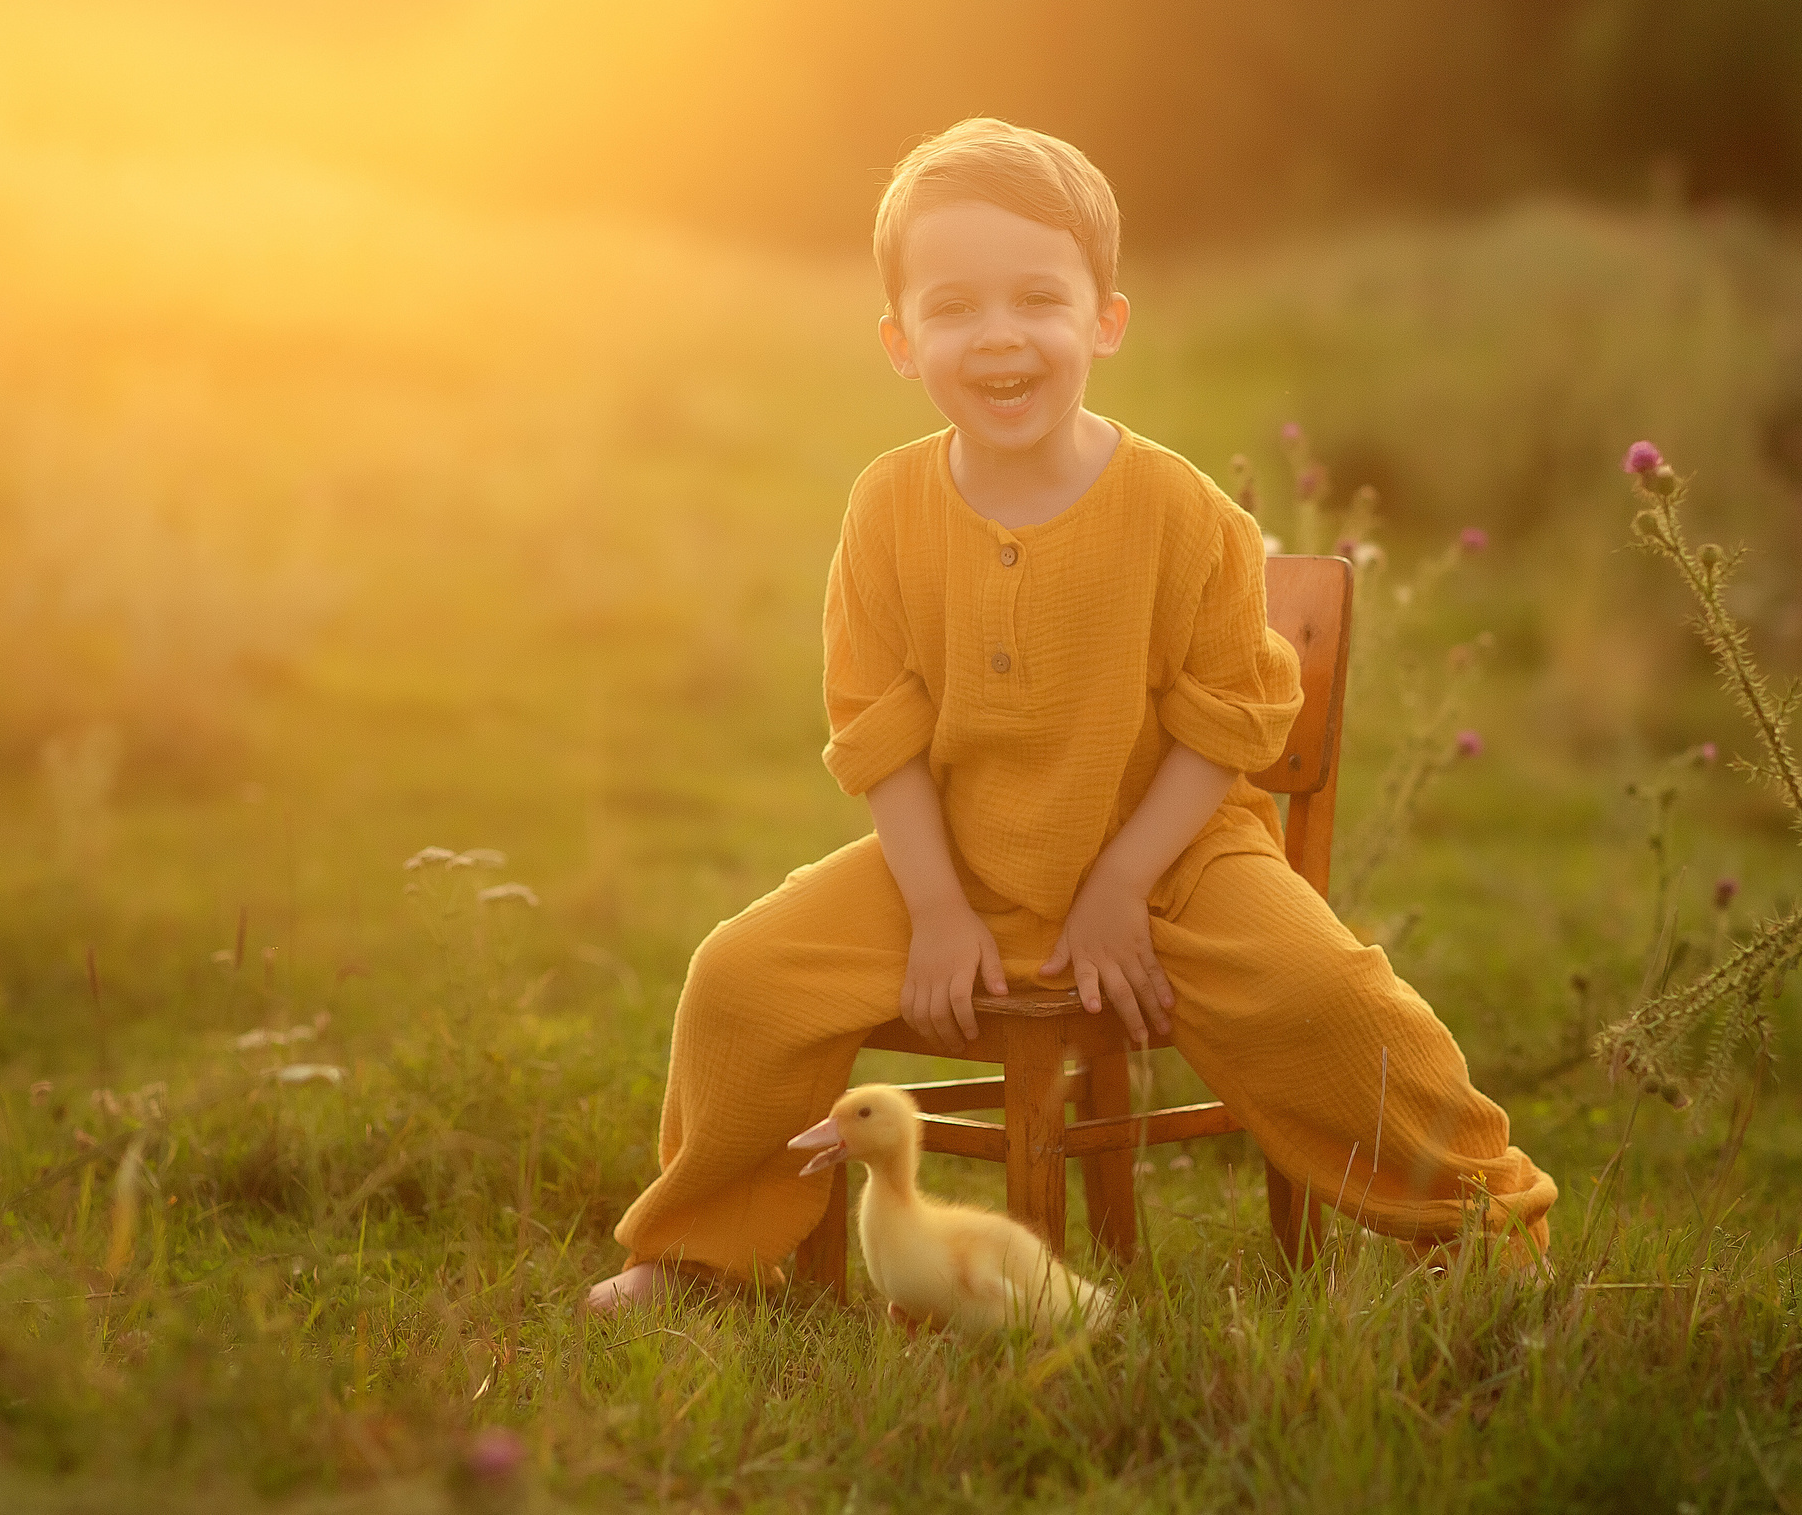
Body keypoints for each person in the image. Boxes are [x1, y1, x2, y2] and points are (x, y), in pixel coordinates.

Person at [586, 118, 1554, 1311]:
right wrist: (935, 907)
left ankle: (1486, 1232)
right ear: (901, 342)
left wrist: (1119, 885)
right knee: (738, 978)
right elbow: (879, 726)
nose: (998, 335)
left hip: (1177, 857)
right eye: (953, 307)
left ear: (1104, 319)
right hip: (957, 855)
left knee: (1332, 1000)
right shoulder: (886, 507)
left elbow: (1235, 711)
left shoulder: (1174, 508)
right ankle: (696, 1260)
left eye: (1038, 298)